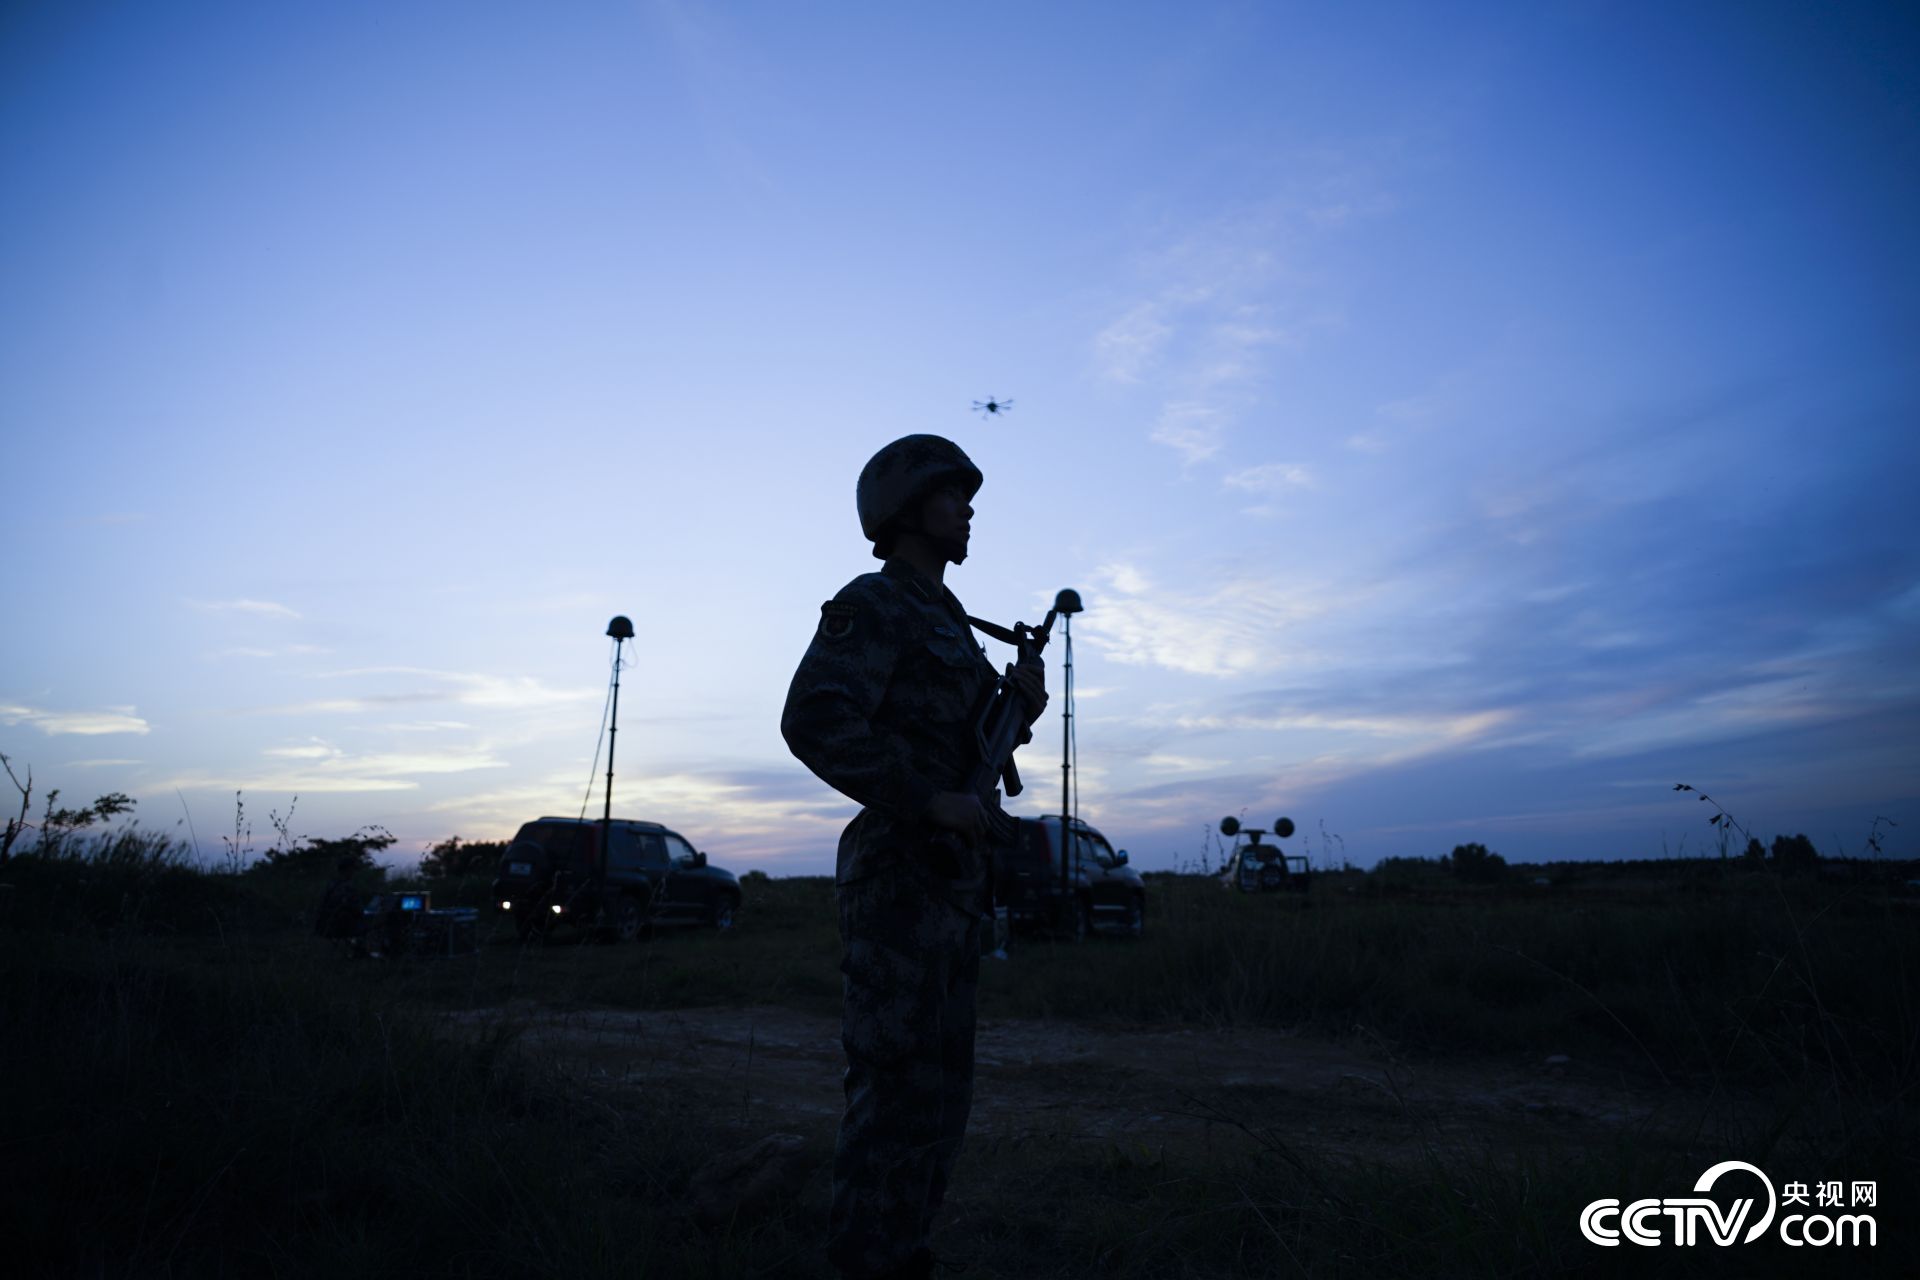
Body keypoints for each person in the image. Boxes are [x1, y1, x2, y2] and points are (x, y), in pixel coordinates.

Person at [782, 434, 1047, 1280]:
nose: (969, 511)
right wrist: (928, 799)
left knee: (940, 1098)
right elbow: (815, 719)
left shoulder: (955, 629)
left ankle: (907, 1255)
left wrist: (1022, 710)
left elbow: (961, 745)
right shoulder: (877, 604)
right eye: (953, 496)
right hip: (899, 876)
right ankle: (865, 1263)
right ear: (906, 507)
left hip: (952, 886)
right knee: (894, 1095)